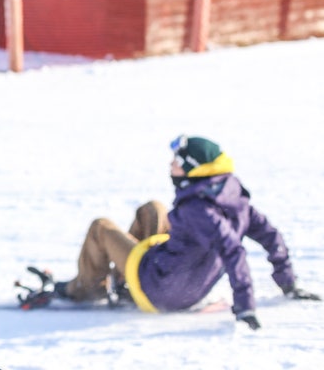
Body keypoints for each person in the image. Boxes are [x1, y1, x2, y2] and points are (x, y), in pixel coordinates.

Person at [28, 135, 320, 329]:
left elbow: (234, 252)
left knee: (101, 228)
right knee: (153, 209)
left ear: (193, 169)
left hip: (160, 289)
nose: (171, 165)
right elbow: (272, 237)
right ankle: (120, 281)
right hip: (181, 279)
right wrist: (288, 282)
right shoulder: (233, 199)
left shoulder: (199, 210)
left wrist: (245, 306)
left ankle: (86, 289)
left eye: (177, 162)